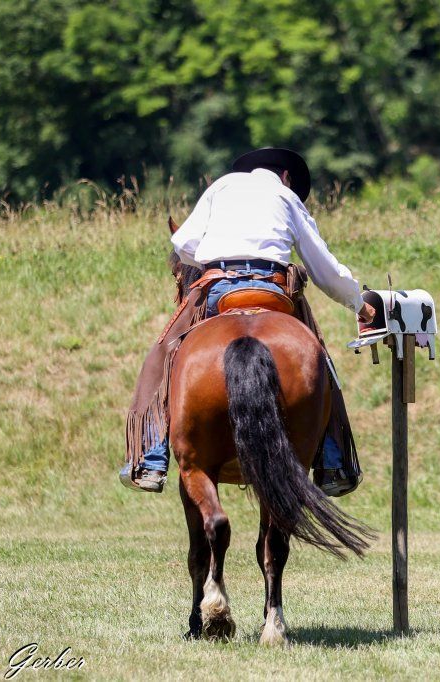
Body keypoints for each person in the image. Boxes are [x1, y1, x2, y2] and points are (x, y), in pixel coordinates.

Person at [122, 147, 375, 495]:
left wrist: (214, 258)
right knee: (319, 359)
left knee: (166, 352)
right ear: (286, 177)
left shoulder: (221, 187)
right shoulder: (286, 197)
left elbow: (182, 243)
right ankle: (333, 462)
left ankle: (150, 457)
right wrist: (357, 303)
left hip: (218, 287)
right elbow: (323, 268)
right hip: (272, 288)